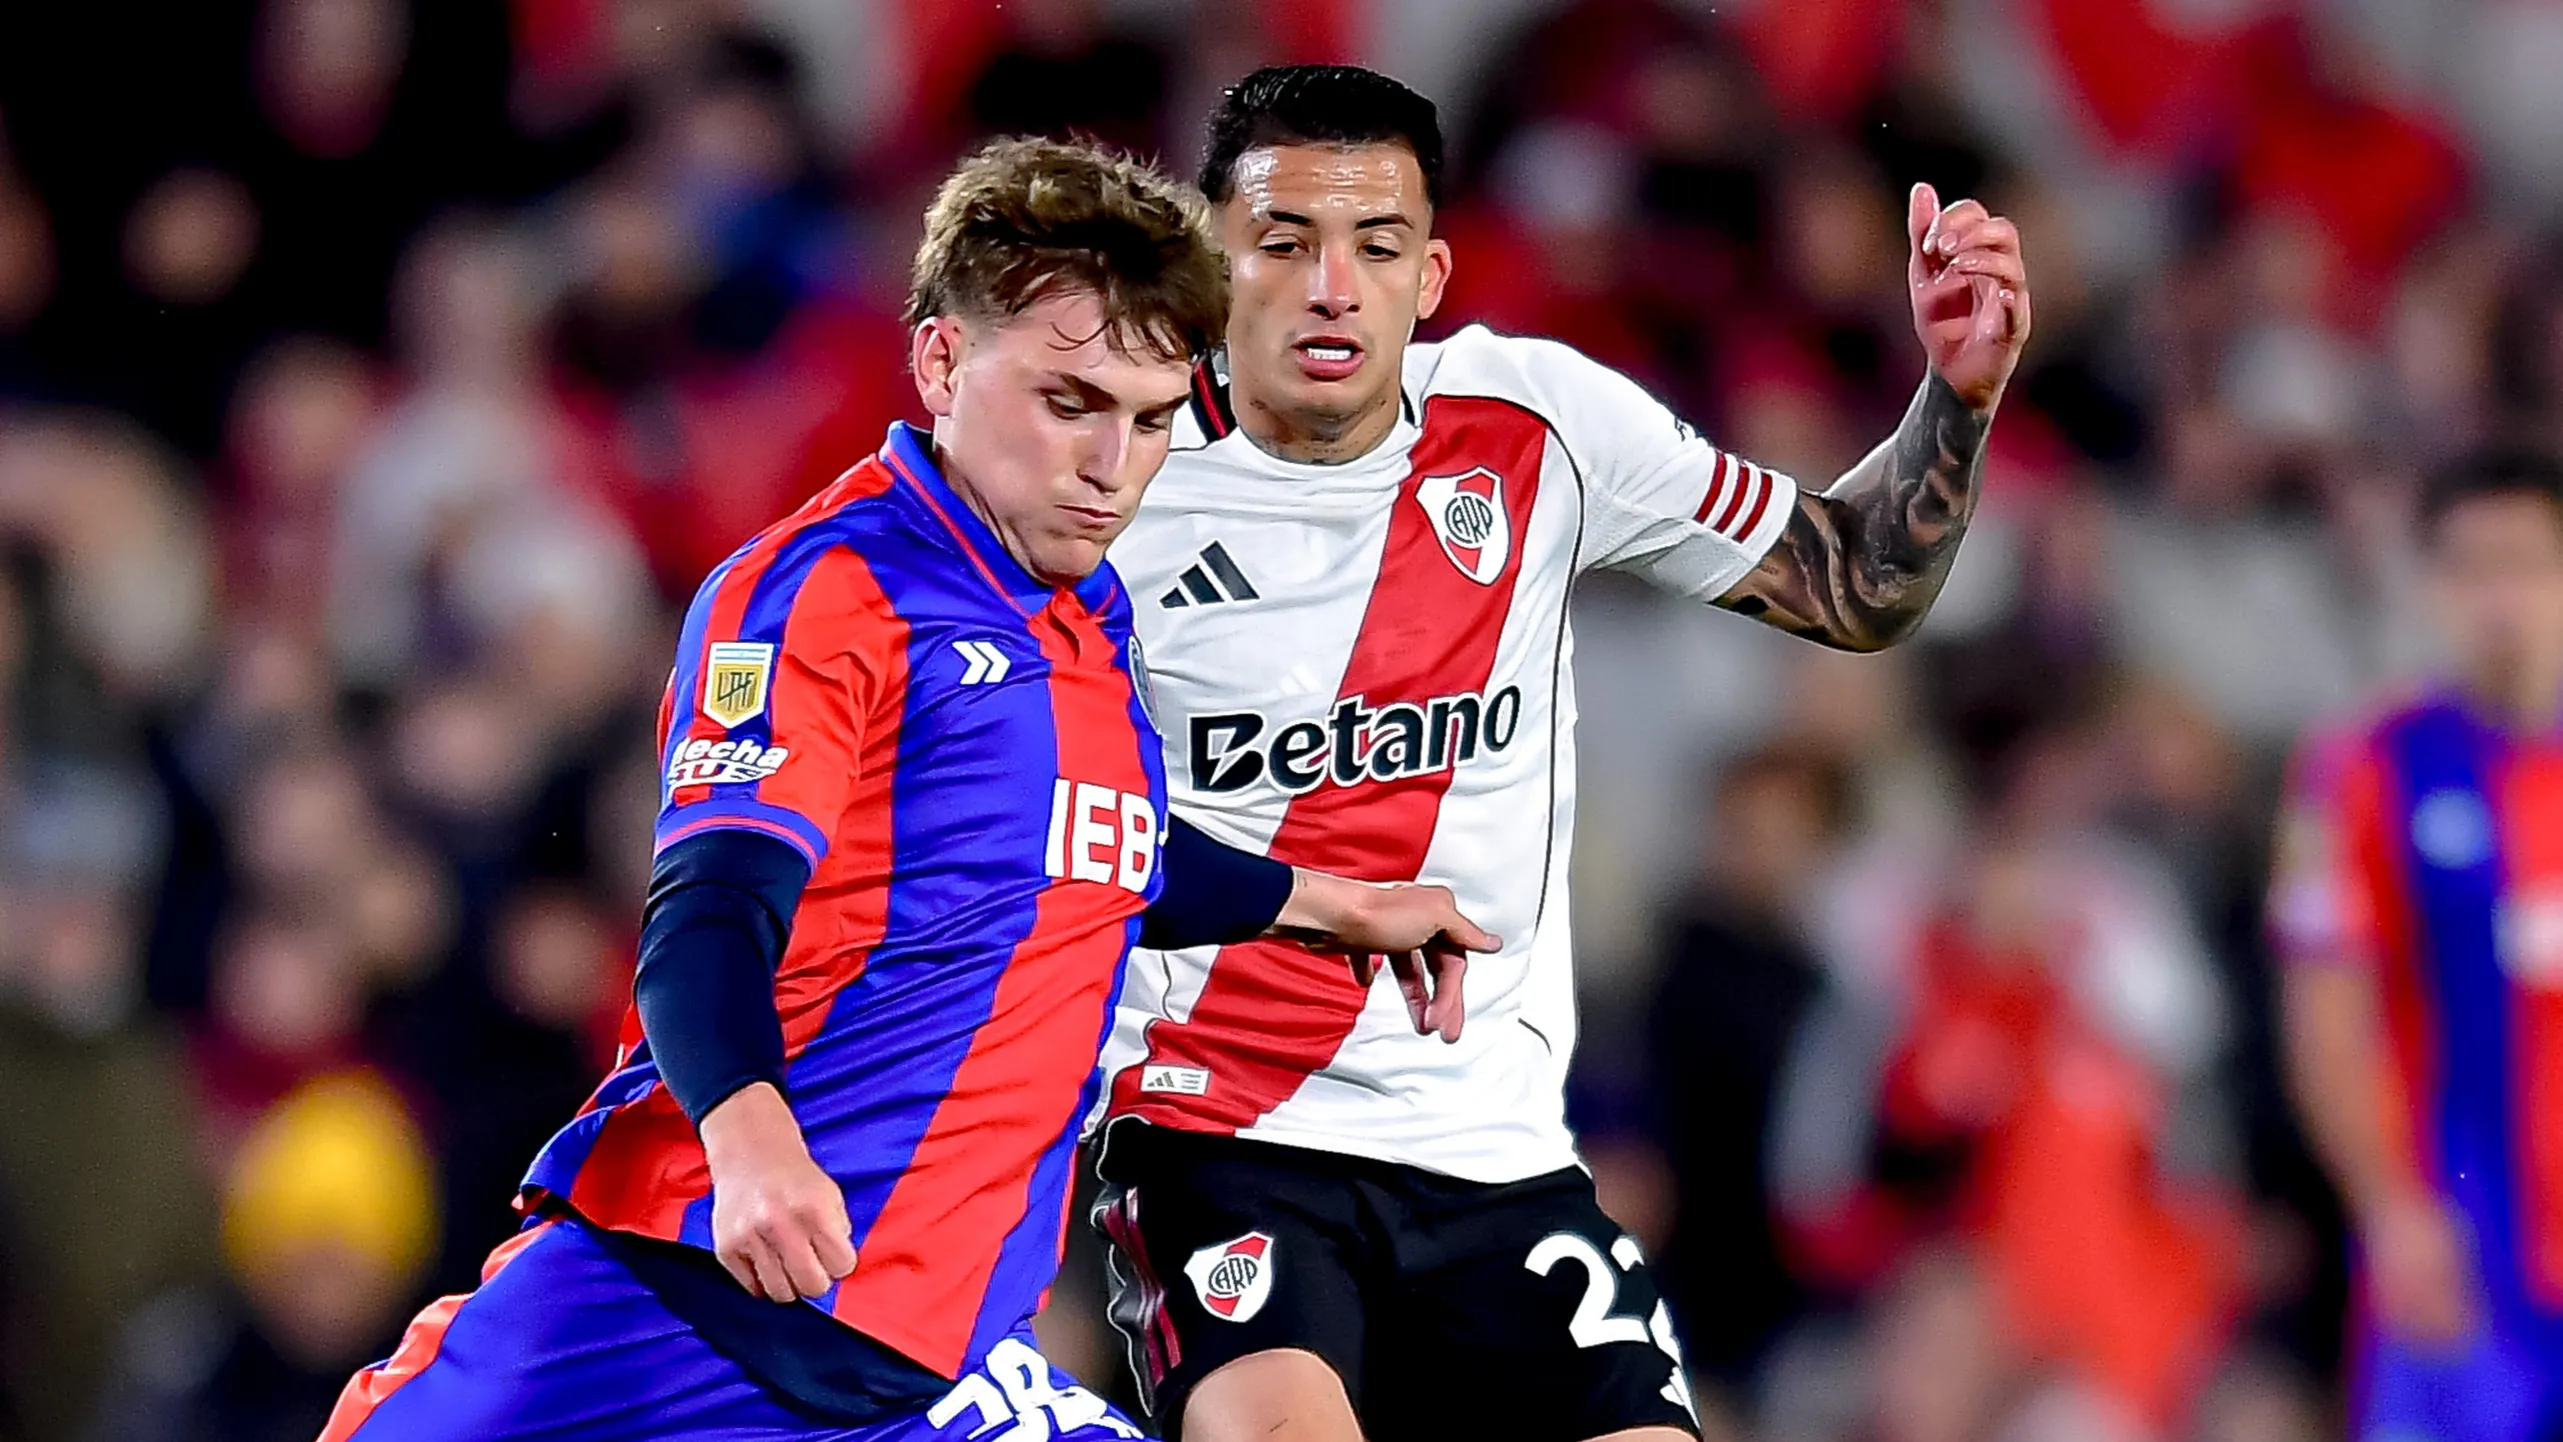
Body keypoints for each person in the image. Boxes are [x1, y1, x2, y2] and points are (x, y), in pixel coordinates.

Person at [319, 136, 1494, 1442]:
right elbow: (708, 911)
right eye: (1068, 400)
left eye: (1151, 417)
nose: (1112, 464)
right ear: (939, 361)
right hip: (693, 1308)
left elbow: (1107, 858)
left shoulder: (1089, 625)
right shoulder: (827, 591)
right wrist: (752, 1141)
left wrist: (1333, 904)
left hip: (927, 1369)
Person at [1090, 65, 2030, 1442]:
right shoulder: (1111, 479)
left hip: (1492, 1156)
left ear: (1433, 272)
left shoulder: (1538, 425)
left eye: (1376, 245)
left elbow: (1853, 581)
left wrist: (1954, 396)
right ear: (1210, 257)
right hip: (1219, 1140)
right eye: (1284, 241)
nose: (1331, 286)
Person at [2272, 448, 2563, 1442]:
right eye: (2469, 566)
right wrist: (2389, 1205)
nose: (2498, 598)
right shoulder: (2361, 767)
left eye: (2523, 563)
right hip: (2462, 1235)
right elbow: (2324, 1016)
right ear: (2430, 586)